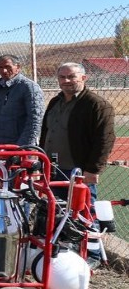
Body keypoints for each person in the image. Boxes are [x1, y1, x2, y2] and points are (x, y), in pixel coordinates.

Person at [39, 62, 115, 269]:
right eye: (62, 77)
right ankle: (67, 249)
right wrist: (41, 161)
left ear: (83, 78)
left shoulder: (96, 105)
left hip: (78, 170)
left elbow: (105, 140)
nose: (66, 81)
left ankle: (94, 255)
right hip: (53, 168)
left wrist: (93, 169)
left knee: (85, 212)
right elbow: (46, 132)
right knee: (57, 210)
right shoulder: (55, 101)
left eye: (71, 77)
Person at [0, 55, 45, 146]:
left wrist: (23, 146)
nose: (4, 71)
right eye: (0, 67)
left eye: (7, 67)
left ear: (18, 67)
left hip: (17, 146)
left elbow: (35, 120)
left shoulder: (28, 87)